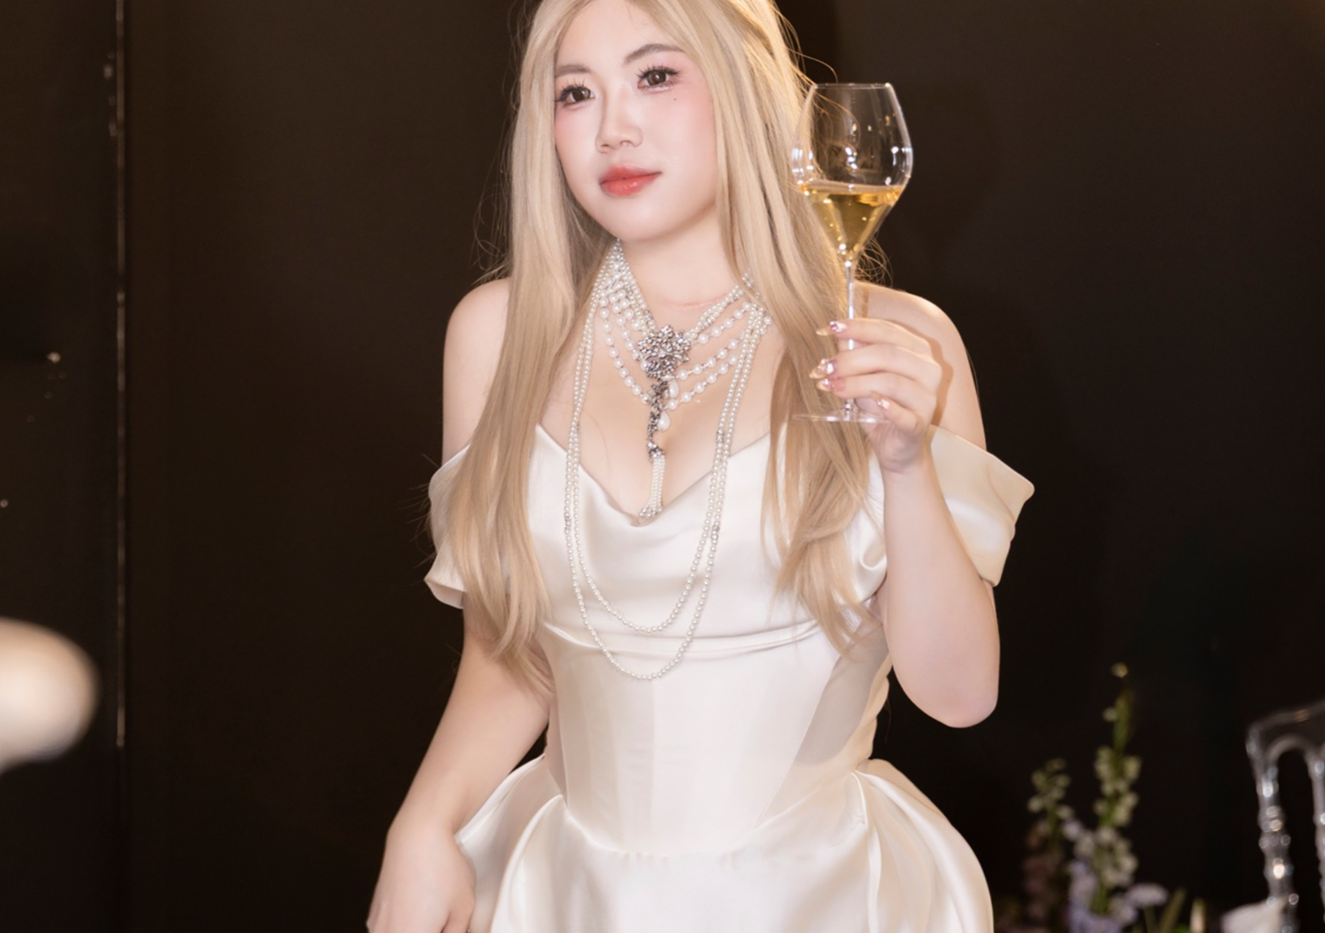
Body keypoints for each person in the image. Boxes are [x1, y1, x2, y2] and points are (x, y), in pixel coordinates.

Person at [368, 0, 1033, 929]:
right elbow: (509, 652)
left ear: (745, 89)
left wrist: (906, 462)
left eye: (655, 76)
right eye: (574, 92)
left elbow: (959, 694)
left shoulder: (897, 343)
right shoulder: (498, 336)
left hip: (815, 899)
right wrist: (424, 825)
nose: (613, 128)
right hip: (569, 897)